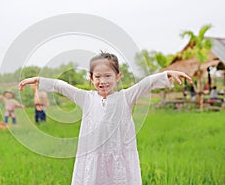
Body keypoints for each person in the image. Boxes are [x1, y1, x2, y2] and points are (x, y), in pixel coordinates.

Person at [19, 52, 192, 185]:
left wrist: (167, 74)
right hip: (93, 157)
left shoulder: (126, 97)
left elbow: (146, 83)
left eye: (108, 76)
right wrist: (38, 80)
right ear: (91, 78)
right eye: (97, 77)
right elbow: (62, 87)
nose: (103, 81)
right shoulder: (86, 98)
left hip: (119, 157)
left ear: (118, 76)